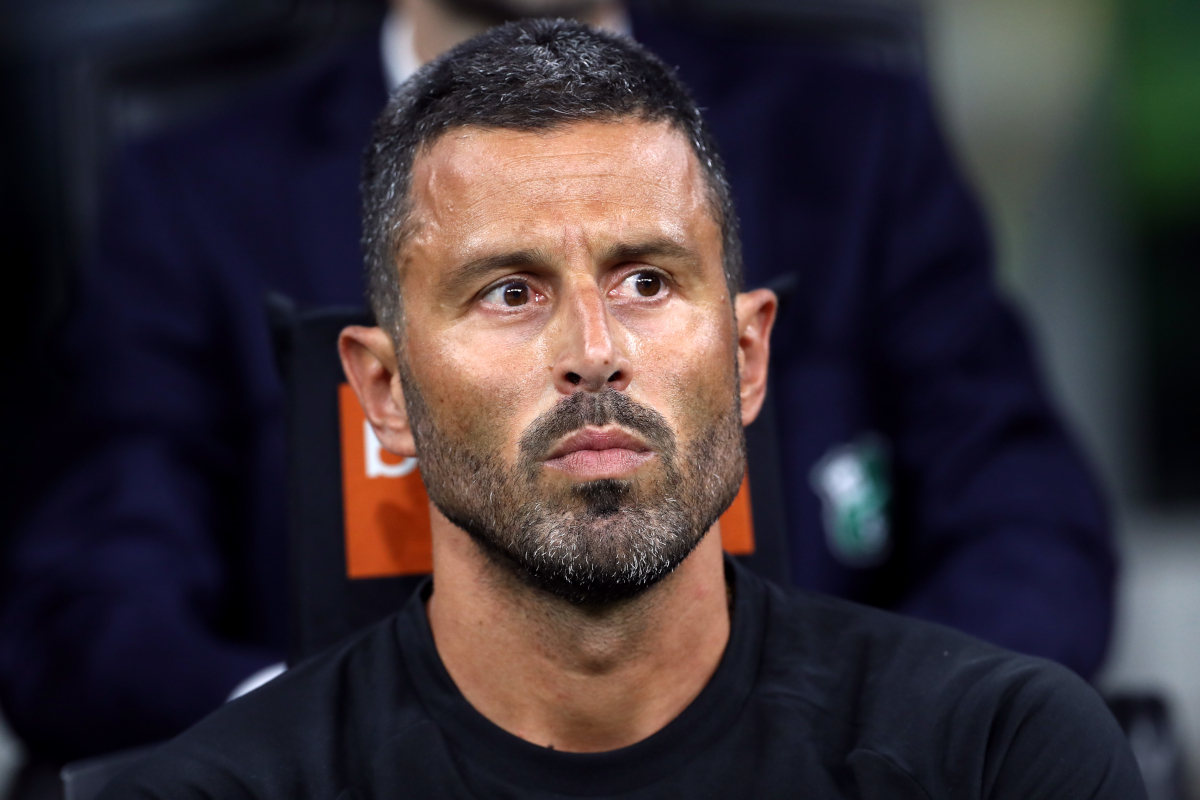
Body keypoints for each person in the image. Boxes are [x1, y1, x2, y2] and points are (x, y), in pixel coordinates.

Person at [0, 0, 1115, 763]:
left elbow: (1028, 527)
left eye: (645, 279)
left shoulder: (852, 141)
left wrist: (868, 732)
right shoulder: (194, 195)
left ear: (749, 344)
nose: (592, 344)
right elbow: (85, 605)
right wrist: (310, 744)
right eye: (508, 291)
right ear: (377, 378)